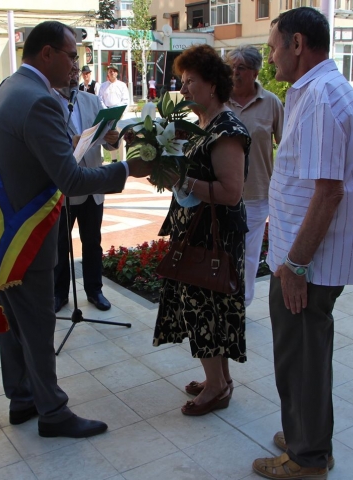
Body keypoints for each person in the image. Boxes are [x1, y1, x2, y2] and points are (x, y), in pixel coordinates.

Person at [0, 21, 150, 440]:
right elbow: (70, 180)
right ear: (47, 53)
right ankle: (52, 412)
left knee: (15, 323)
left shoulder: (9, 88)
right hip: (25, 233)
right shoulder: (40, 101)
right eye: (71, 55)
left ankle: (22, 398)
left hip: (0, 228)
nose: (76, 64)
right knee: (37, 326)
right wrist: (127, 169)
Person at [251, 8, 353, 480]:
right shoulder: (317, 90)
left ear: (297, 44)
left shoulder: (321, 96)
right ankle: (307, 433)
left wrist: (296, 265)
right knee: (307, 354)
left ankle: (307, 457)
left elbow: (329, 192)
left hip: (308, 265)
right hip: (303, 258)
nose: (270, 56)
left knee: (301, 356)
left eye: (273, 46)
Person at [152, 44, 251, 417]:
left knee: (205, 308)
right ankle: (219, 380)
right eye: (182, 81)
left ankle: (215, 387)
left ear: (212, 84)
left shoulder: (227, 129)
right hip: (198, 231)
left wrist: (181, 179)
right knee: (209, 307)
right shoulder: (203, 124)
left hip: (214, 237)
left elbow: (230, 192)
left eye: (190, 81)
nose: (183, 89)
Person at [52, 62, 118, 312]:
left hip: (92, 184)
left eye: (75, 71)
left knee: (92, 241)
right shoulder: (46, 102)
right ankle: (59, 293)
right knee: (60, 244)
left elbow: (107, 140)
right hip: (65, 187)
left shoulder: (92, 100)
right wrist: (71, 142)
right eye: (68, 70)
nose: (72, 76)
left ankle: (94, 290)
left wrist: (113, 138)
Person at [225, 45, 284, 308]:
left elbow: (287, 146)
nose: (235, 73)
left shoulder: (271, 103)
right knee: (224, 250)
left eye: (241, 68)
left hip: (256, 193)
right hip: (221, 191)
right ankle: (223, 298)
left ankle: (242, 302)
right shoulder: (218, 101)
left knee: (248, 254)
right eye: (231, 68)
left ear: (255, 72)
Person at [98, 64, 129, 162]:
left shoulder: (122, 85)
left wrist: (118, 111)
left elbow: (125, 100)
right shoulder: (103, 86)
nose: (111, 73)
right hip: (109, 114)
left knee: (121, 137)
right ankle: (114, 159)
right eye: (109, 71)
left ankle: (123, 160)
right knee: (111, 136)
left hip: (120, 115)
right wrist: (107, 110)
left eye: (113, 71)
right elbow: (100, 100)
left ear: (116, 73)